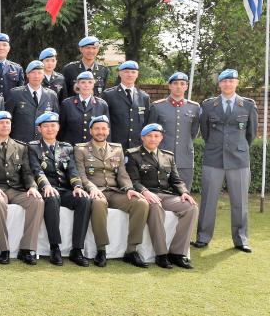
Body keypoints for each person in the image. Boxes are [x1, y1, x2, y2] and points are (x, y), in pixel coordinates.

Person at [194, 69, 258, 252]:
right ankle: (203, 237)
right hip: (213, 157)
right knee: (208, 201)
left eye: (231, 81)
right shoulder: (208, 106)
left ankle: (241, 239)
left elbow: (250, 134)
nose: (228, 84)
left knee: (240, 201)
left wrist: (237, 147)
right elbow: (206, 132)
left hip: (238, 159)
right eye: (224, 81)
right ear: (219, 84)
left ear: (237, 83)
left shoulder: (247, 105)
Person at [74, 115, 150, 268]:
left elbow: (122, 174)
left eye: (103, 128)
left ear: (108, 131)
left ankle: (131, 250)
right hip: (96, 190)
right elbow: (81, 175)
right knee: (99, 204)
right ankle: (101, 250)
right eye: (97, 128)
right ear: (91, 130)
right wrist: (91, 188)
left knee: (141, 203)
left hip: (115, 191)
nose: (100, 131)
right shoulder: (80, 149)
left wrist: (129, 189)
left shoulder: (117, 148)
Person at [126, 123, 198, 269]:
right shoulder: (133, 155)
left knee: (191, 207)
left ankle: (177, 253)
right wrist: (145, 192)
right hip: (147, 195)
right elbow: (133, 180)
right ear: (143, 137)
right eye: (149, 136)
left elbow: (176, 180)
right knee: (156, 208)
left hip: (166, 195)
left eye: (156, 136)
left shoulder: (168, 156)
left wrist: (184, 192)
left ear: (161, 138)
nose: (153, 139)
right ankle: (161, 254)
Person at [27, 112, 91, 267]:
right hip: (46, 188)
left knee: (84, 200)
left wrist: (77, 186)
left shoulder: (66, 148)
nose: (50, 129)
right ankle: (54, 247)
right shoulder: (33, 147)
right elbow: (36, 170)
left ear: (58, 127)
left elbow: (72, 170)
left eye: (53, 126)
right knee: (52, 199)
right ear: (39, 129)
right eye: (46, 126)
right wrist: (46, 185)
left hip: (64, 188)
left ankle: (77, 249)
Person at [0, 111, 44, 265]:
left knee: (37, 201)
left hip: (17, 189)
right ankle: (4, 249)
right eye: (1, 122)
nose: (5, 125)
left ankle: (27, 249)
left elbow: (27, 171)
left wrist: (32, 186)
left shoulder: (21, 147)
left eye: (8, 122)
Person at [146, 71, 201, 189]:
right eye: (175, 83)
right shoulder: (157, 106)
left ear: (186, 86)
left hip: (184, 158)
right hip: (161, 157)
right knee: (161, 193)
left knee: (184, 193)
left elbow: (193, 132)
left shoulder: (194, 107)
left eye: (182, 83)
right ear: (170, 86)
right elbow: (150, 133)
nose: (178, 86)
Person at [5, 59, 60, 143]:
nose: (36, 76)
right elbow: (7, 119)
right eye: (33, 73)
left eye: (39, 73)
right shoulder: (15, 94)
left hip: (43, 144)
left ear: (43, 75)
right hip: (20, 143)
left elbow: (55, 120)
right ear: (27, 75)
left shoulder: (51, 95)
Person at [103, 60, 152, 150]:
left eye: (133, 72)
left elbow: (146, 123)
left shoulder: (144, 97)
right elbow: (105, 122)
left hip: (137, 147)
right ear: (120, 73)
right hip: (115, 146)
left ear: (137, 74)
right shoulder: (109, 95)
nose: (130, 75)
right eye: (126, 72)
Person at [59, 71, 109, 145]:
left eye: (90, 82)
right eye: (83, 82)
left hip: (93, 148)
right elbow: (61, 129)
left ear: (93, 85)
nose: (86, 85)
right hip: (71, 147)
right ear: (78, 84)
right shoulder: (67, 104)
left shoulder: (102, 105)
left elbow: (106, 130)